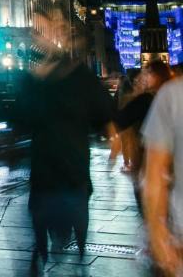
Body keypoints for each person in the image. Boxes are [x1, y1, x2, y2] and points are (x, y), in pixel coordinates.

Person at [14, 41, 113, 271]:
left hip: (46, 170)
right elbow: (105, 117)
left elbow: (19, 120)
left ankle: (42, 255)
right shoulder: (82, 78)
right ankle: (76, 255)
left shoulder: (36, 81)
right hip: (72, 168)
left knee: (42, 218)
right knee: (75, 214)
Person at [111, 60, 172, 214]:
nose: (142, 77)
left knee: (150, 210)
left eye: (147, 73)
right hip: (171, 162)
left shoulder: (146, 99)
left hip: (150, 160)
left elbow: (121, 120)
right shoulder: (171, 94)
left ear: (157, 76)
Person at [143, 71, 183, 274]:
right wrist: (158, 233)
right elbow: (155, 173)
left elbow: (155, 173)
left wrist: (158, 232)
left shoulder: (173, 95)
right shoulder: (172, 95)